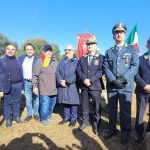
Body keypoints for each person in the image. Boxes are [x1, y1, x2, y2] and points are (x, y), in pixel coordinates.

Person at [103, 22, 139, 144]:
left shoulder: (131, 49)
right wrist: (113, 80)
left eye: (121, 32)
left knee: (125, 110)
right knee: (112, 110)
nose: (119, 34)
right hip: (112, 86)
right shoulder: (109, 51)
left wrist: (123, 80)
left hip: (125, 86)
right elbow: (105, 67)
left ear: (124, 34)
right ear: (113, 35)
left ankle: (125, 132)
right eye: (116, 32)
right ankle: (112, 129)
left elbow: (134, 66)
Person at [76, 36, 103, 135]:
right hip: (84, 86)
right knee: (85, 106)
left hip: (95, 86)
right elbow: (78, 70)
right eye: (88, 45)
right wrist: (84, 79)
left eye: (92, 44)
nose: (89, 46)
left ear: (96, 45)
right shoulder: (82, 58)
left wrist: (91, 80)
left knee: (96, 107)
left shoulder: (100, 57)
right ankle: (85, 122)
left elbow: (101, 71)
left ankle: (96, 125)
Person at [32, 44, 58, 126]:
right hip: (44, 88)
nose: (49, 52)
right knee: (45, 104)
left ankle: (49, 115)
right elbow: (35, 75)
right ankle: (43, 119)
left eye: (50, 50)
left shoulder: (55, 61)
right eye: (47, 50)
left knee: (52, 103)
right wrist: (35, 86)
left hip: (54, 88)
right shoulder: (39, 61)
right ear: (43, 52)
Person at [0, 42, 24, 128]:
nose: (10, 51)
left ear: (15, 52)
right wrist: (0, 90)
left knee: (17, 101)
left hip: (18, 85)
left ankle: (16, 117)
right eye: (8, 49)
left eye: (12, 49)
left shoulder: (18, 61)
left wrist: (23, 87)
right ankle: (8, 120)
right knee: (7, 103)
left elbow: (21, 73)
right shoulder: (1, 61)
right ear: (6, 50)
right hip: (6, 85)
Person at [56, 45, 80, 127]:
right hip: (62, 85)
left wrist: (67, 81)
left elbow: (77, 74)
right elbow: (57, 72)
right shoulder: (62, 61)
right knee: (65, 102)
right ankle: (66, 117)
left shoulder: (77, 62)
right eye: (66, 50)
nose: (67, 51)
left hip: (72, 85)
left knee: (73, 103)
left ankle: (73, 119)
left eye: (69, 50)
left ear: (73, 51)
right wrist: (60, 81)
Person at [134, 37, 150, 142]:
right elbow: (135, 75)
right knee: (140, 113)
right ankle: (139, 133)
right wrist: (145, 85)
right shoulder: (140, 59)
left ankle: (149, 131)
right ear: (148, 45)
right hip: (142, 90)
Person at [19, 43, 39, 122]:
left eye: (31, 49)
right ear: (25, 51)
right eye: (27, 49)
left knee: (36, 99)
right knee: (28, 99)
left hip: (36, 82)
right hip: (25, 82)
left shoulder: (38, 59)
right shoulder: (21, 58)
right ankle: (29, 114)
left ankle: (36, 114)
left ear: (33, 50)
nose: (29, 51)